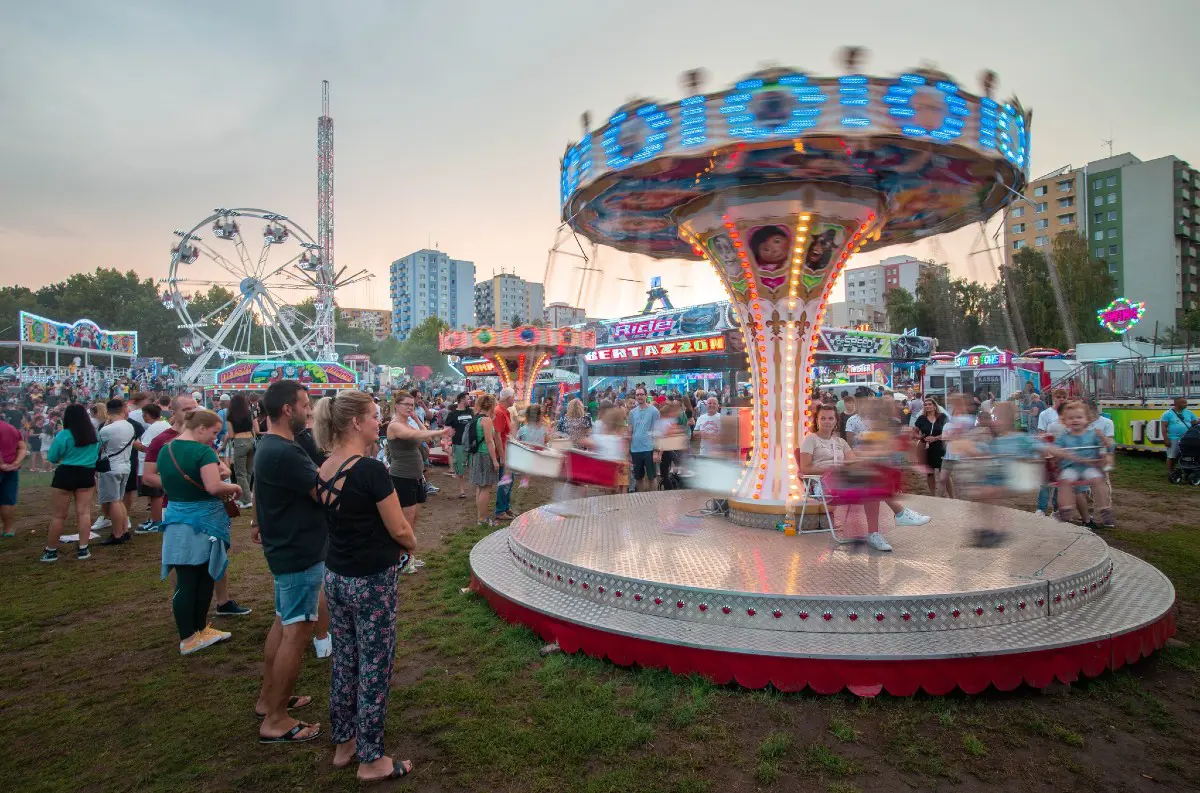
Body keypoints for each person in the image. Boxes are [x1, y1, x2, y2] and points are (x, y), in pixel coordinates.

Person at [314, 391, 416, 783]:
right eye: (375, 416)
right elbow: (400, 528)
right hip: (371, 580)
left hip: (336, 575)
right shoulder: (371, 470)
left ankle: (346, 743)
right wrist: (411, 544)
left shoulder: (325, 466)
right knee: (375, 664)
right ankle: (372, 758)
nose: (380, 422)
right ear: (356, 422)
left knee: (346, 659)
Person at [253, 380, 325, 744]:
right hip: (299, 552)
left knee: (283, 623)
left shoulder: (270, 447)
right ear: (287, 409)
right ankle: (277, 719)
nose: (309, 411)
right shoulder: (285, 452)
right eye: (305, 404)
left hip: (286, 548)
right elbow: (325, 493)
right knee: (296, 632)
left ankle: (269, 700)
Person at [143, 394, 251, 617]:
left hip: (208, 508)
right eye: (186, 409)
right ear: (174, 413)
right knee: (182, 561)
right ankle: (185, 604)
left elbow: (222, 468)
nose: (191, 412)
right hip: (177, 506)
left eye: (194, 407)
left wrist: (216, 473)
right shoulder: (163, 441)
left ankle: (222, 601)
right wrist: (180, 485)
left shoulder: (204, 441)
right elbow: (148, 476)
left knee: (214, 555)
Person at [157, 409, 242, 655]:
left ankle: (198, 631)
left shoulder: (166, 449)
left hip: (177, 519)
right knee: (195, 578)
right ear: (201, 428)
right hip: (202, 522)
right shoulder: (202, 452)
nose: (215, 439)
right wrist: (235, 486)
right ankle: (189, 635)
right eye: (214, 433)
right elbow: (213, 486)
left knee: (194, 577)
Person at [798, 404, 892, 551]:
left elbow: (853, 463)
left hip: (844, 481)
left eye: (830, 418)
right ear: (817, 420)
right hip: (822, 485)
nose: (827, 421)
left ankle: (874, 534)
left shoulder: (840, 442)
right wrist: (832, 469)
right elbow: (805, 468)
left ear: (836, 421)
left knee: (873, 485)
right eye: (823, 418)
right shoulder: (810, 439)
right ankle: (900, 513)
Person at [387, 390, 452, 531]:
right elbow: (413, 434)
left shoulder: (408, 423)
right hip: (402, 476)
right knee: (406, 520)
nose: (410, 407)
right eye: (406, 404)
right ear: (397, 406)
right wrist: (440, 432)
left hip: (415, 476)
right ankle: (403, 552)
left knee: (414, 517)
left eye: (412, 404)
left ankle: (407, 551)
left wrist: (416, 419)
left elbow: (426, 438)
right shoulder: (394, 425)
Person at [1052, 400, 1114, 528]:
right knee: (1065, 481)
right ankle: (1066, 508)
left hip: (1088, 467)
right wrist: (1059, 454)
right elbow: (1055, 450)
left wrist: (1104, 439)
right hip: (1071, 467)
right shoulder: (1063, 437)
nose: (1075, 420)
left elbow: (1110, 447)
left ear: (1087, 419)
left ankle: (1105, 509)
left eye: (1079, 417)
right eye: (1071, 418)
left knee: (1098, 479)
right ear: (1065, 421)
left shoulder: (1093, 435)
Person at [95, 398, 136, 545]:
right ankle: (124, 531)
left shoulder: (106, 429)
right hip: (125, 465)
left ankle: (117, 533)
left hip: (110, 467)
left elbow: (98, 447)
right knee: (119, 500)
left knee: (113, 501)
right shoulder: (130, 426)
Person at [466, 394, 501, 526]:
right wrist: (495, 460)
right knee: (486, 487)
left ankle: (480, 517)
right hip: (485, 455)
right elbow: (489, 441)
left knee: (480, 488)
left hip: (476, 455)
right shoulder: (486, 420)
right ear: (491, 406)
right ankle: (483, 518)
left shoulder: (477, 418)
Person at [134, 404, 170, 533]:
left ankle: (157, 521)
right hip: (158, 464)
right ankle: (155, 519)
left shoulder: (154, 428)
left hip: (150, 465)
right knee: (154, 494)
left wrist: (134, 443)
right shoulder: (164, 424)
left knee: (155, 495)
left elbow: (146, 448)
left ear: (147, 414)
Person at [1035, 389, 1068, 515]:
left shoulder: (1068, 413)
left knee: (1061, 482)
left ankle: (1056, 508)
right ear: (1054, 397)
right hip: (1049, 451)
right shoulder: (1045, 414)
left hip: (1064, 452)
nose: (1061, 399)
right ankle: (1041, 508)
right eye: (1059, 397)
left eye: (1064, 397)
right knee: (1046, 481)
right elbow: (1041, 433)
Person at [221, 394, 257, 509]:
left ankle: (246, 500)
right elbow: (253, 430)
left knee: (240, 472)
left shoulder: (230, 415)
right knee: (248, 472)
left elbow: (231, 434)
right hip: (251, 440)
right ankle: (245, 498)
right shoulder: (249, 412)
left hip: (239, 442)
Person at [913, 397, 948, 496]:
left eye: (930, 404)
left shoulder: (942, 417)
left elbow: (949, 432)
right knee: (930, 473)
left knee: (945, 473)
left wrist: (935, 438)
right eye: (925, 404)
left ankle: (951, 495)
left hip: (941, 447)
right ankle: (933, 495)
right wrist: (920, 437)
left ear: (934, 406)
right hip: (926, 448)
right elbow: (914, 432)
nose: (927, 406)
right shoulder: (921, 418)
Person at [628, 387, 660, 491]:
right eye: (637, 395)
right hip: (635, 449)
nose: (639, 396)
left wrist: (656, 451)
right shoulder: (632, 413)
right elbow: (630, 431)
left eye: (641, 394)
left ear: (646, 396)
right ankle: (641, 500)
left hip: (649, 449)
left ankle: (654, 499)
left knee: (652, 477)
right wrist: (628, 450)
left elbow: (658, 431)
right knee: (638, 477)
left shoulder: (654, 411)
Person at [492, 388, 516, 521]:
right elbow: (497, 435)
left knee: (509, 480)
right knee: (505, 480)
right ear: (508, 398)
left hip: (507, 451)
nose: (515, 399)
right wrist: (502, 456)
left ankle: (505, 506)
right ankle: (501, 510)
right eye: (513, 397)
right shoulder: (500, 412)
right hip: (503, 452)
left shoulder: (504, 411)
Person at [0, 416, 26, 538]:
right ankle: (8, 530)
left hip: (5, 466)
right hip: (12, 468)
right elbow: (22, 447)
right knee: (8, 500)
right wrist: (16, 462)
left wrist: (2, 464)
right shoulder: (11, 428)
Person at [1162, 396, 1199, 478]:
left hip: (1187, 439)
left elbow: (1194, 425)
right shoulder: (1167, 414)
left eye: (1186, 402)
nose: (1186, 404)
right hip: (1173, 438)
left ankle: (1188, 471)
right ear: (1177, 404)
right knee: (1172, 456)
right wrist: (1166, 439)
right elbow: (1164, 427)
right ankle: (1171, 472)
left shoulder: (1189, 413)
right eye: (1184, 402)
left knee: (1188, 455)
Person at [445, 392, 473, 498]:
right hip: (459, 444)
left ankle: (475, 488)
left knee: (473, 466)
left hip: (471, 444)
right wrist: (447, 444)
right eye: (468, 399)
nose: (470, 400)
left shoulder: (470, 411)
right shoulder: (452, 414)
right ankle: (462, 490)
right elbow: (446, 429)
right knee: (460, 468)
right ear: (462, 400)